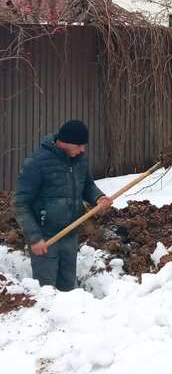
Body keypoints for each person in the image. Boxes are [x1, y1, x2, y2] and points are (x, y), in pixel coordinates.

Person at [13, 120, 114, 292]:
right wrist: (34, 237)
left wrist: (98, 197)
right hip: (46, 238)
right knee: (46, 291)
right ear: (65, 141)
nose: (83, 149)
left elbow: (87, 185)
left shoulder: (79, 159)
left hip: (70, 234)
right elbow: (20, 202)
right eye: (80, 145)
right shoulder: (37, 163)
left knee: (67, 288)